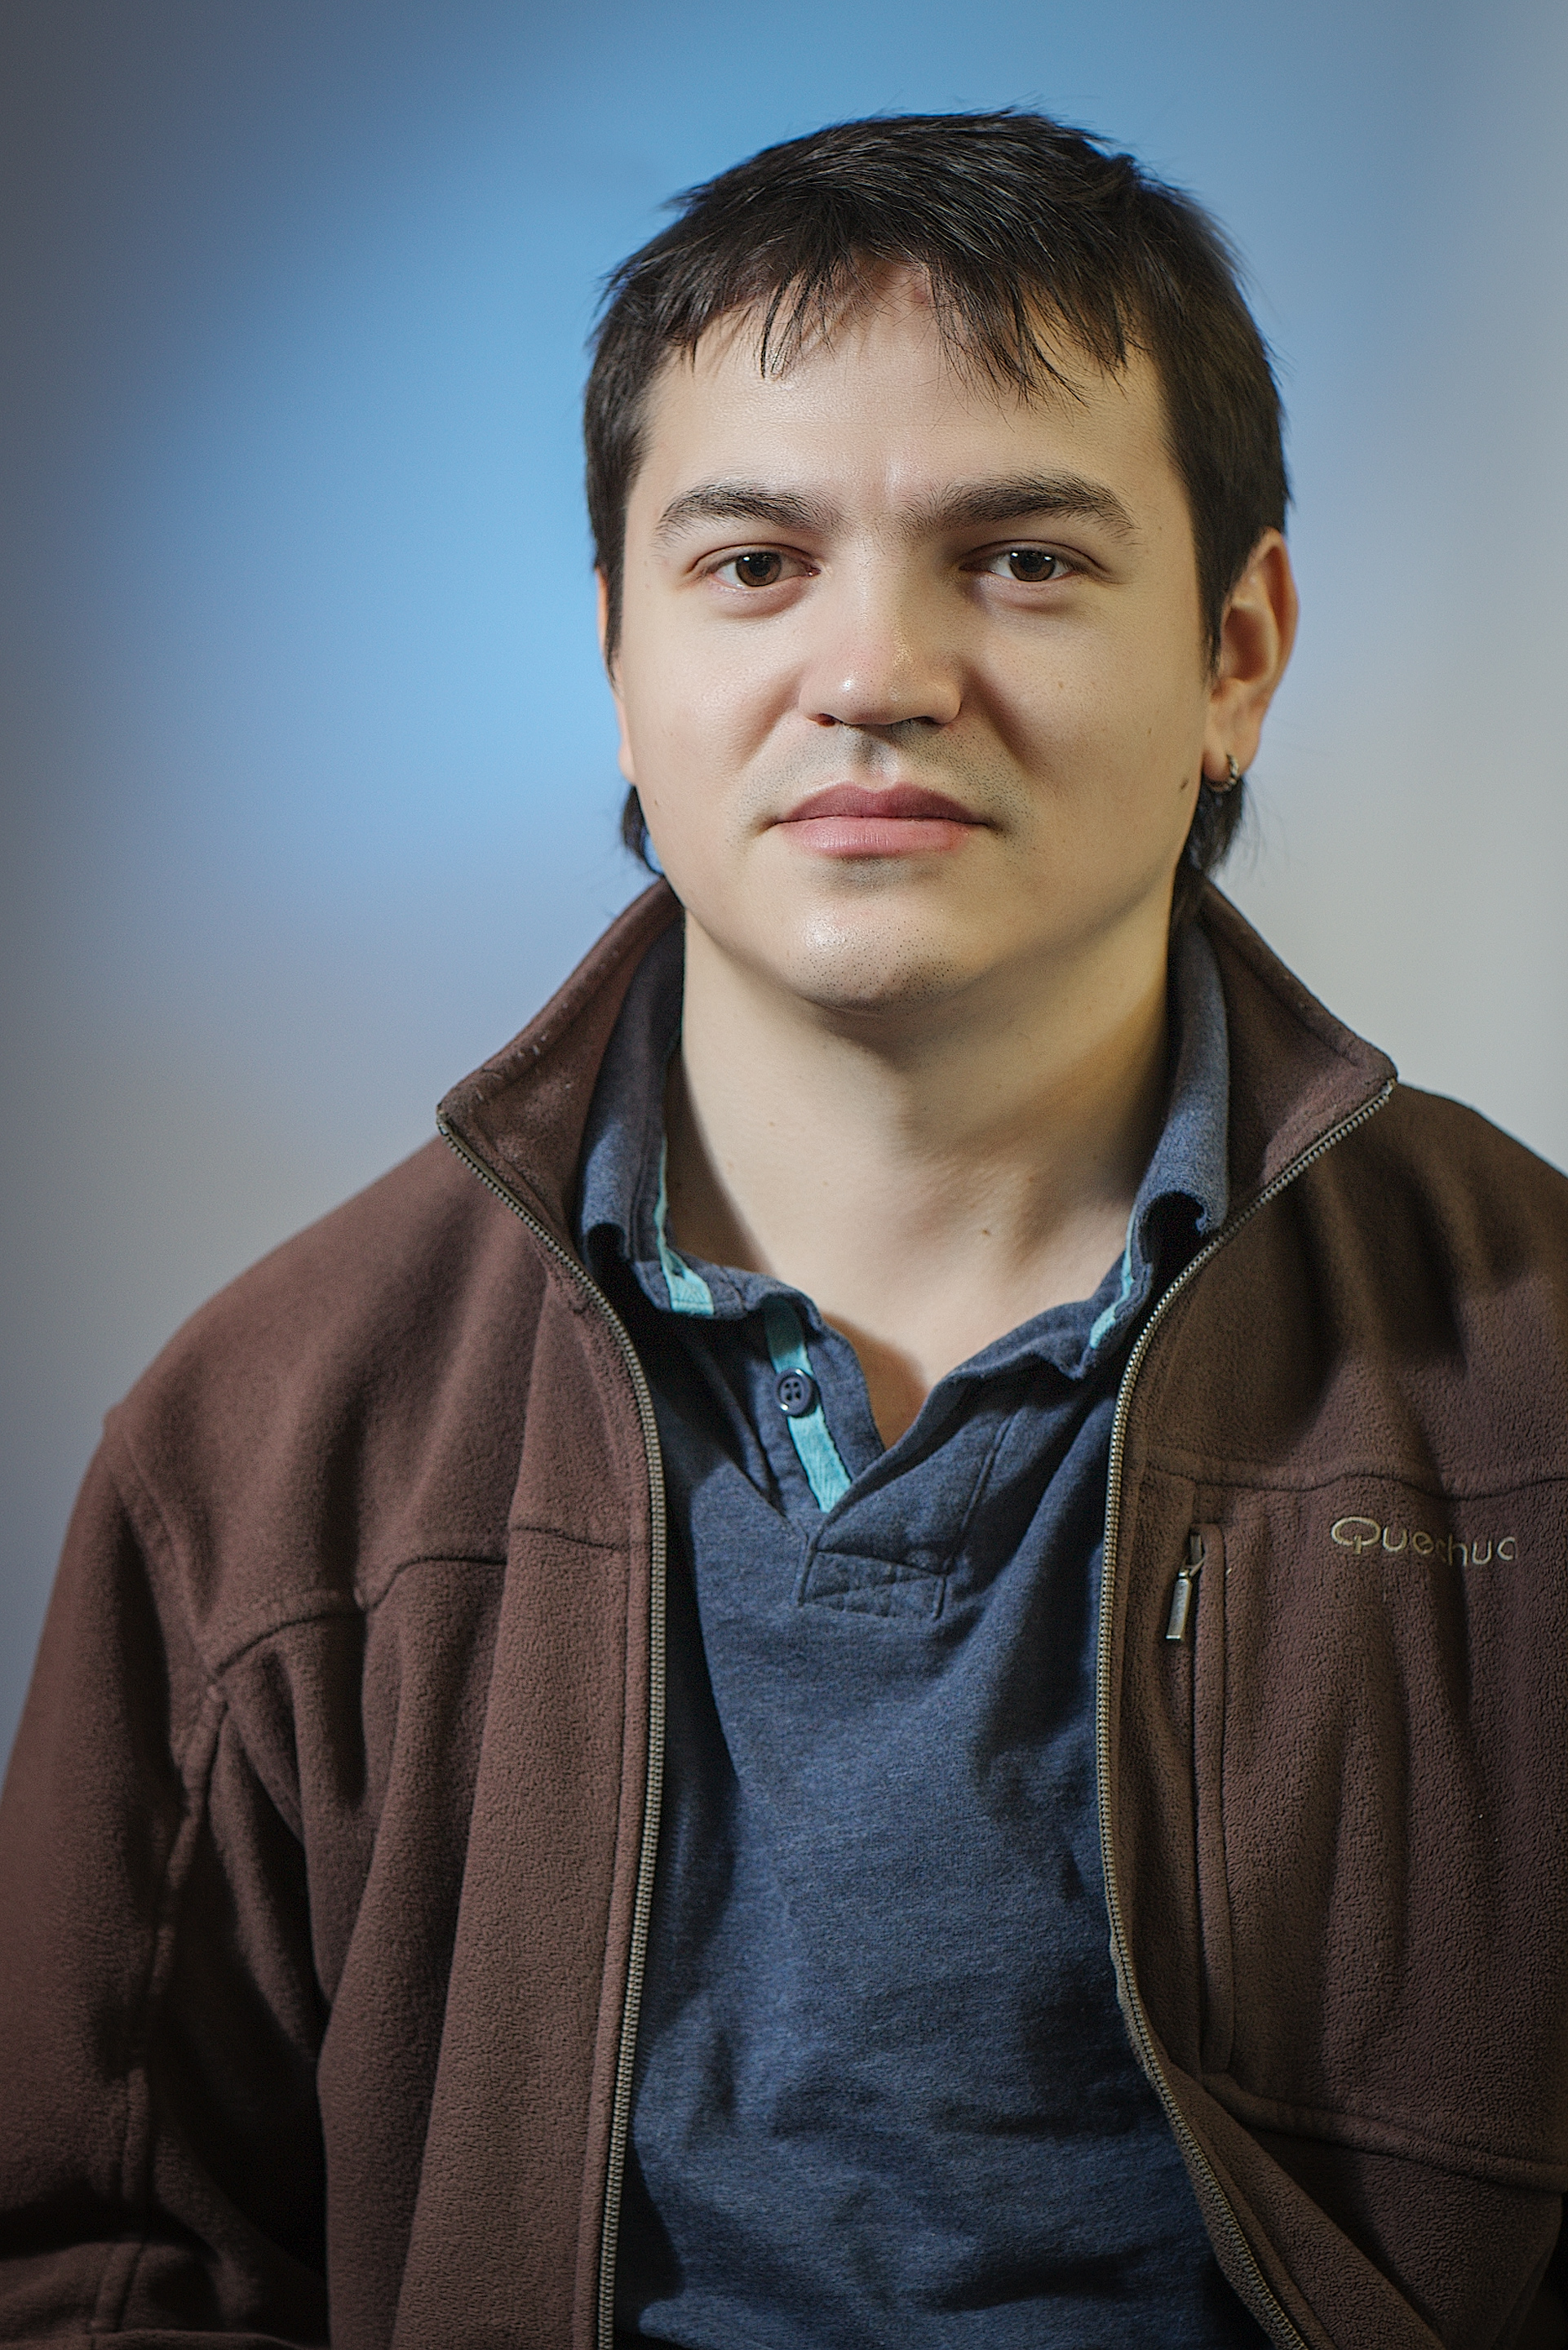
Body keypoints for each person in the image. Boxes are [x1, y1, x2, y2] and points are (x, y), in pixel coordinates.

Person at [2, 109, 1566, 2350]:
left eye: (1020, 559)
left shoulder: (1537, 1389)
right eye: (753, 563)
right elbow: (92, 2259)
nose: (877, 674)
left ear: (1237, 651)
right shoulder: (262, 1454)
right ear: (620, 657)